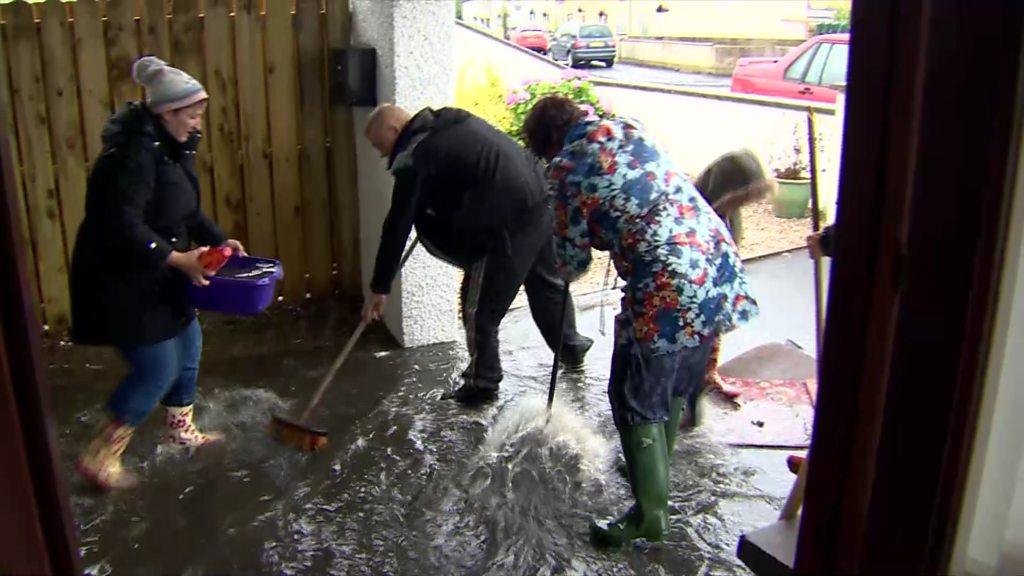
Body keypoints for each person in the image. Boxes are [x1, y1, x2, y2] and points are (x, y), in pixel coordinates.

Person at [523, 96, 758, 547]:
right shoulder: (625, 127)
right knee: (669, 387)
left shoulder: (566, 169)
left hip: (666, 280)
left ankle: (649, 513)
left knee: (631, 394)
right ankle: (654, 469)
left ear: (550, 141)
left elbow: (573, 260)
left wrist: (567, 251)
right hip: (715, 259)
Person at [70, 56, 244, 489]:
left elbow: (186, 208)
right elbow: (123, 226)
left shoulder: (170, 147)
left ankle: (180, 432)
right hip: (120, 279)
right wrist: (177, 259)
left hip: (158, 272)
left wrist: (222, 242)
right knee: (157, 367)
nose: (197, 122)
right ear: (166, 112)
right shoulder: (130, 156)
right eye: (192, 113)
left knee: (189, 342)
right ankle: (100, 457)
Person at [361, 104, 593, 405]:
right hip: (539, 200)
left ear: (394, 130)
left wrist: (380, 287)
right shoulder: (448, 124)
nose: (382, 155)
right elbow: (466, 175)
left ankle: (482, 385)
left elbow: (397, 224)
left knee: (479, 307)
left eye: (380, 146)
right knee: (546, 286)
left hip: (507, 224)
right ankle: (571, 347)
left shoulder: (415, 154)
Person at [690, 149, 776, 415]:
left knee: (712, 335)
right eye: (743, 197)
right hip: (691, 293)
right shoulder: (695, 213)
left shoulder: (728, 213)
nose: (747, 204)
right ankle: (685, 398)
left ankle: (706, 377)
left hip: (715, 289)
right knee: (691, 344)